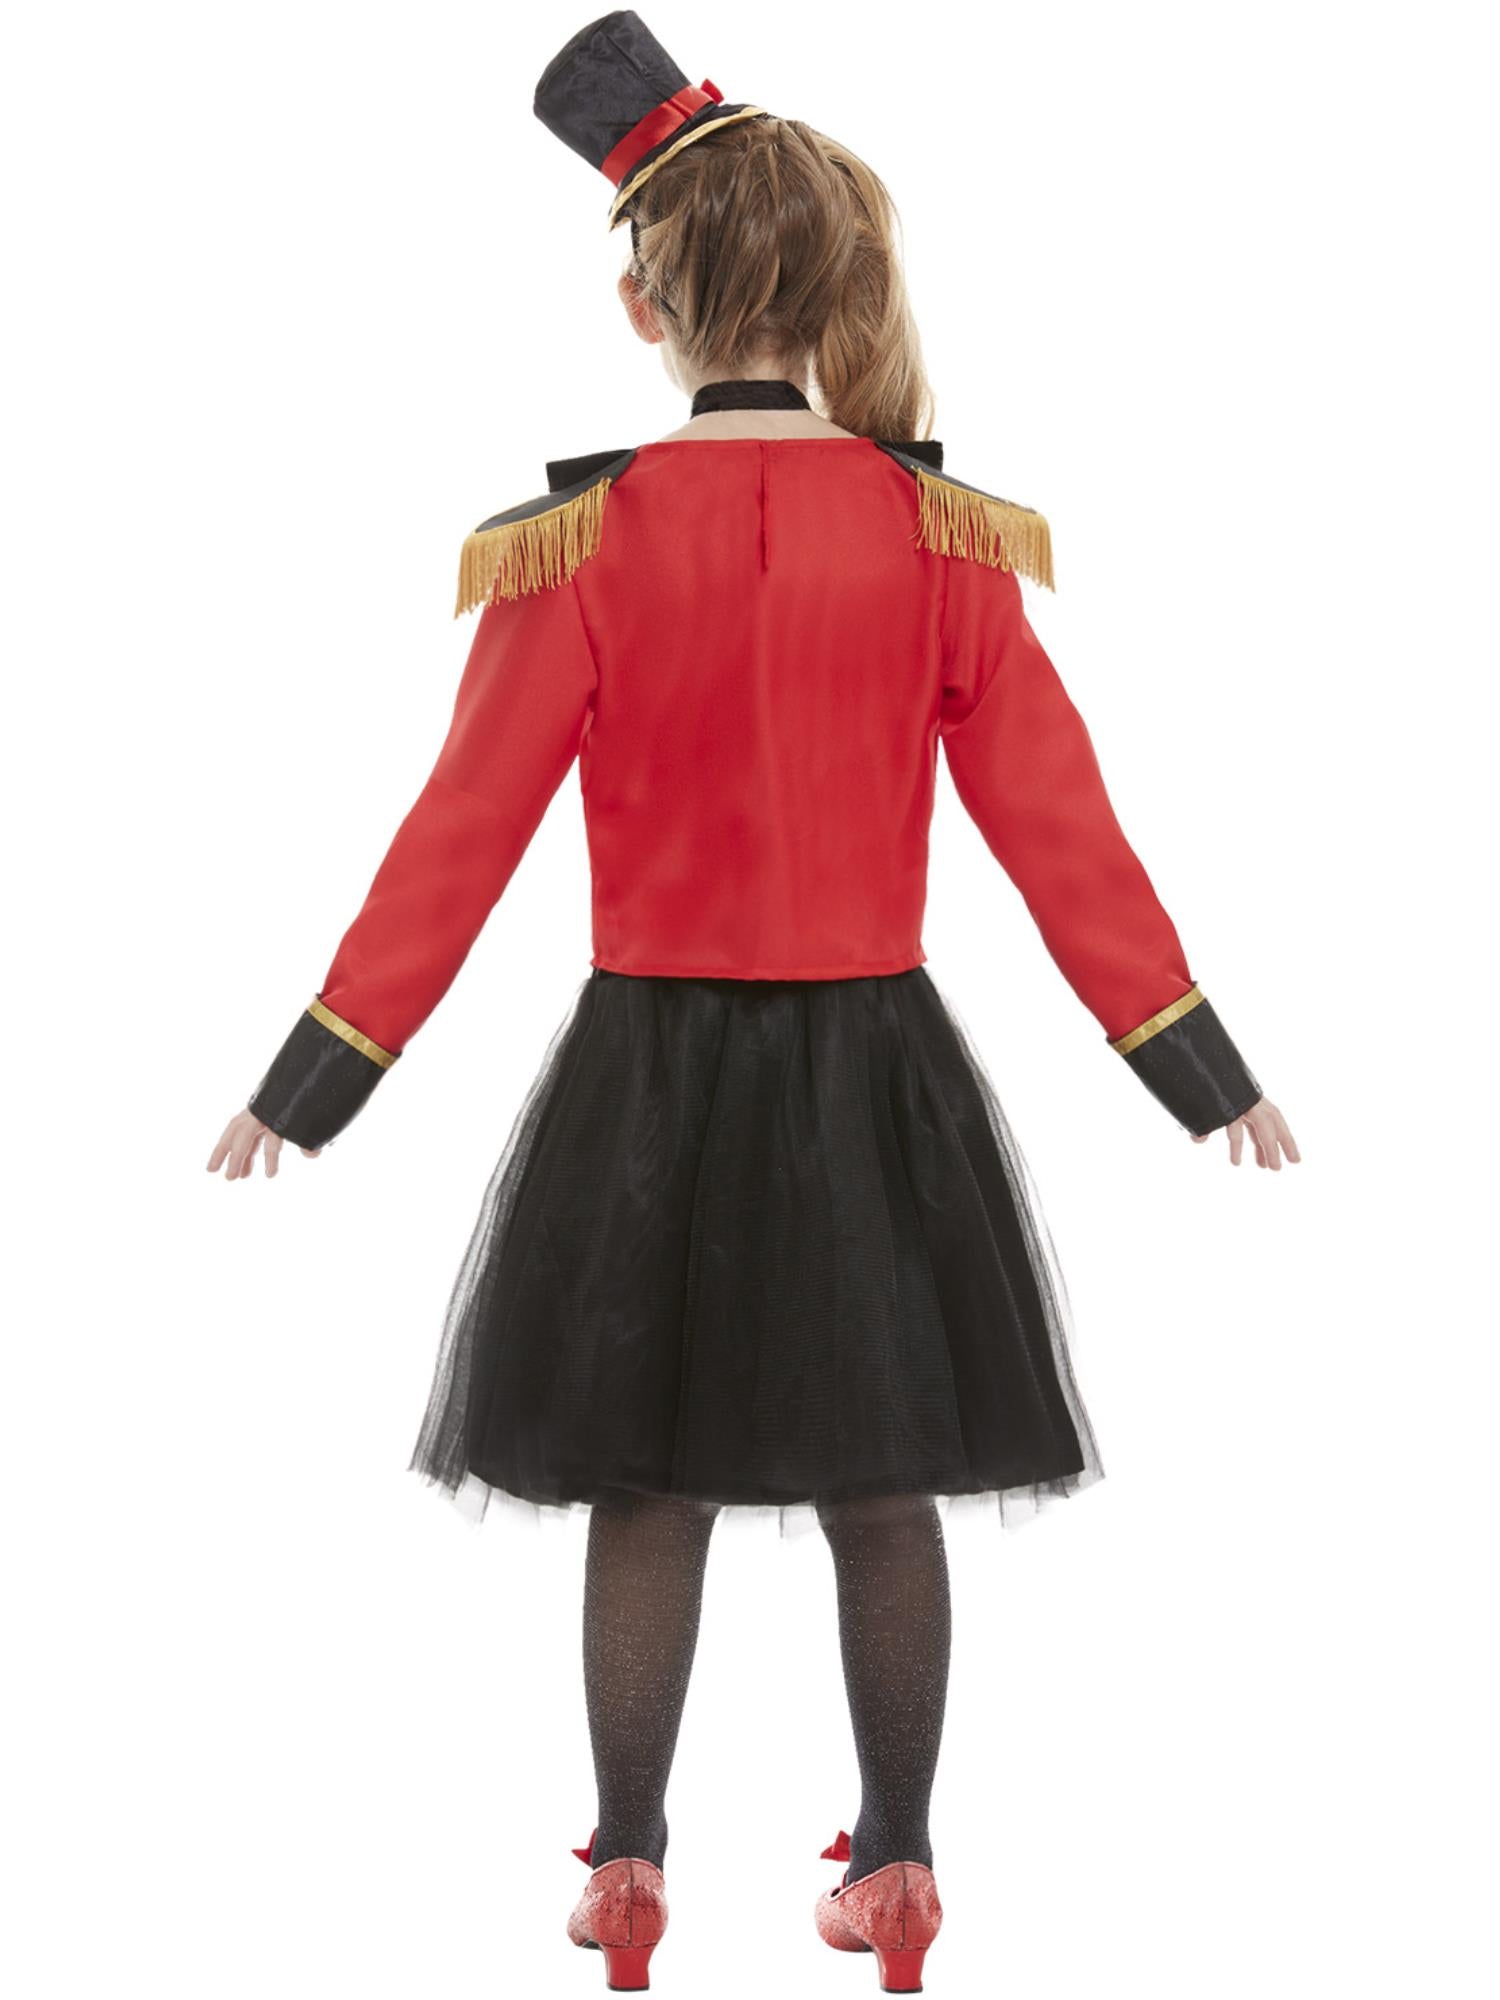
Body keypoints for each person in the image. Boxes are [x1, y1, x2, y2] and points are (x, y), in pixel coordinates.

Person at [206, 12, 1299, 1992]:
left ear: (642, 305)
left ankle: (628, 1869)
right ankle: (899, 1870)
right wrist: (1197, 1064)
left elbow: (456, 839)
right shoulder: (943, 539)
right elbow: (1063, 832)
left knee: (652, 1476)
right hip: (879, 1072)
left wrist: (313, 1076)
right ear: (845, 288)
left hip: (648, 1073)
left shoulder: (578, 545)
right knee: (887, 1481)